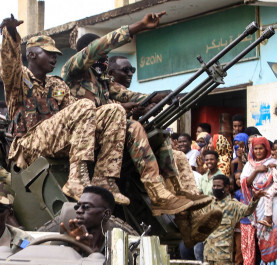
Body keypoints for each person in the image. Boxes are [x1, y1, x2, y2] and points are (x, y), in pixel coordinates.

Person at [61, 13, 209, 215]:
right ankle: (155, 193)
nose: (104, 57)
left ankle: (173, 190)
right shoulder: (72, 71)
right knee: (133, 127)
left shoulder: (103, 81)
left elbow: (132, 95)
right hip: (82, 137)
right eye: (101, 53)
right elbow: (100, 47)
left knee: (158, 132)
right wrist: (138, 26)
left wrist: (166, 95)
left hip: (106, 134)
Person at [0, 15, 129, 206]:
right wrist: (9, 34)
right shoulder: (20, 79)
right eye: (48, 53)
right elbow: (9, 65)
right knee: (85, 104)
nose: (54, 58)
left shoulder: (56, 84)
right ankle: (76, 179)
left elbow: (76, 115)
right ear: (32, 55)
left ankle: (104, 179)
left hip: (57, 140)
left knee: (114, 111)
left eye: (55, 54)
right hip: (29, 143)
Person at [241, 137, 277, 265]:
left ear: (266, 149)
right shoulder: (249, 165)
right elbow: (245, 183)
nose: (258, 151)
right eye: (255, 148)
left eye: (261, 148)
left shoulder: (274, 161)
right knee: (262, 234)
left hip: (275, 200)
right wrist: (257, 170)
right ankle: (265, 264)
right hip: (258, 203)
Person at [60, 186, 116, 253]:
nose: (78, 210)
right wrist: (74, 248)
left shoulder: (115, 250)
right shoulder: (63, 242)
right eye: (77, 206)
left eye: (86, 207)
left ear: (106, 214)